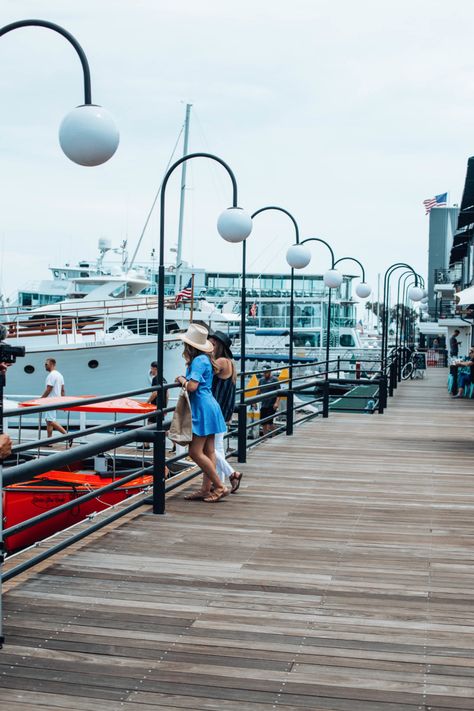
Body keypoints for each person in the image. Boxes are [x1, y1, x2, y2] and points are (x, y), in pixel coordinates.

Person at [175, 324, 228, 503]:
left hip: (202, 408)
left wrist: (182, 379)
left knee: (195, 452)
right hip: (210, 405)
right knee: (209, 451)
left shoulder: (198, 361)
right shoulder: (205, 359)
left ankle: (219, 486)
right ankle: (206, 489)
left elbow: (192, 386)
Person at [209, 330, 243, 493]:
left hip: (217, 409)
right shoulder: (229, 362)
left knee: (206, 448)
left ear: (219, 345)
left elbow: (206, 373)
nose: (210, 344)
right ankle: (220, 482)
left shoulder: (221, 361)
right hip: (224, 409)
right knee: (218, 446)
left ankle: (232, 473)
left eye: (213, 343)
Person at [41, 358, 66, 441]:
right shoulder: (60, 375)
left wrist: (41, 399)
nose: (45, 366)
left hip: (50, 401)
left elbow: (49, 389)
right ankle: (49, 441)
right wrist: (64, 402)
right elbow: (62, 390)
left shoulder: (51, 375)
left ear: (51, 364)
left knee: (50, 421)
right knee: (49, 421)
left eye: (46, 364)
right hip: (57, 401)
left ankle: (67, 435)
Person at [257, 365, 281, 436]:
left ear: (270, 371)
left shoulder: (275, 379)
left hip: (272, 404)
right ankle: (265, 439)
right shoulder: (261, 380)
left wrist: (276, 403)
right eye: (263, 372)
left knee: (270, 423)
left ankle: (275, 436)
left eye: (266, 372)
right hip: (264, 404)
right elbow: (259, 391)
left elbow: (279, 393)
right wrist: (254, 401)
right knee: (263, 423)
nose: (264, 374)